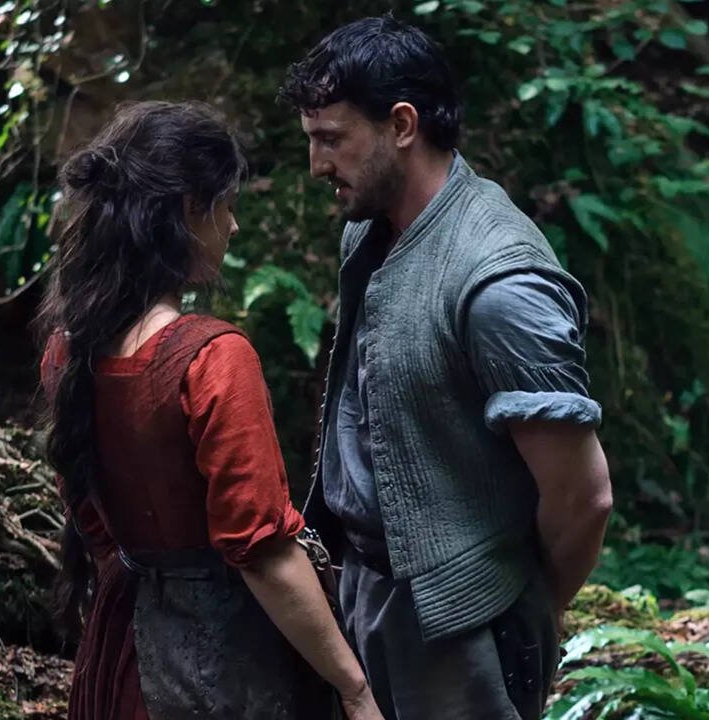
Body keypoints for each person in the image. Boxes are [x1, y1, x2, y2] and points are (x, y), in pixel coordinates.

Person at [278, 17, 614, 720]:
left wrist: (522, 613)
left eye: (331, 139)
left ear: (402, 125)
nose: (316, 165)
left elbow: (583, 497)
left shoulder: (499, 284)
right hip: (364, 591)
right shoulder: (369, 230)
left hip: (464, 631)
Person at [37, 100, 383, 720]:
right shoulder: (212, 358)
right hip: (218, 662)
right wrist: (353, 688)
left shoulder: (68, 351)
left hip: (122, 647)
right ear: (190, 211)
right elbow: (262, 551)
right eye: (227, 206)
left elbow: (90, 516)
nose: (234, 226)